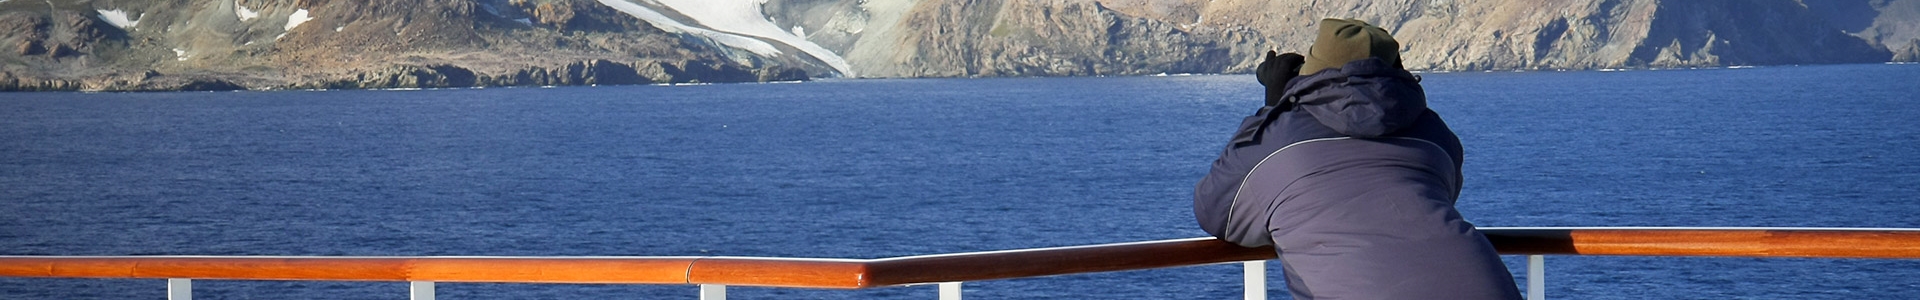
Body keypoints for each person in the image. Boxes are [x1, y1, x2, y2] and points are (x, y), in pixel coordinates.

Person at [1193, 19, 1523, 300]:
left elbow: (1217, 212)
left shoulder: (1277, 138)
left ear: (1310, 71)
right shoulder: (1434, 132)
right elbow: (1433, 196)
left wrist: (1273, 110)